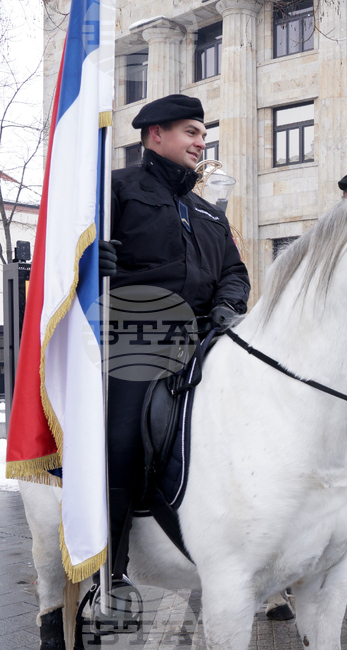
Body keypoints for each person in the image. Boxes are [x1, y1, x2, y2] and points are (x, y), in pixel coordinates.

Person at [100, 94, 251, 575]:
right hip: (139, 336)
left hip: (208, 338)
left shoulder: (208, 212)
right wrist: (88, 264)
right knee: (122, 442)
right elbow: (67, 251)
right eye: (191, 132)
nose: (201, 142)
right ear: (155, 134)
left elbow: (235, 271)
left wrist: (229, 305)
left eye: (203, 134)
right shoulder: (115, 189)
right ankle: (110, 563)